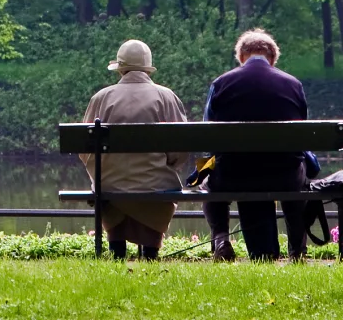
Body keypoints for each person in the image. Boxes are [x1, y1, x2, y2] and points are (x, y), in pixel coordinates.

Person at [202, 29, 308, 261]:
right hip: (284, 175)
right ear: (272, 58)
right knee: (300, 177)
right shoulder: (293, 85)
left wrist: (202, 169)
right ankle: (297, 250)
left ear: (241, 56)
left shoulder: (221, 83)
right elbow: (303, 136)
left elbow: (207, 136)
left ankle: (221, 239)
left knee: (208, 179)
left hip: (234, 174)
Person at [81, 39, 188, 261]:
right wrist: (167, 165)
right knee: (157, 185)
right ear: (148, 68)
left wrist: (102, 171)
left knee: (110, 186)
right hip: (155, 187)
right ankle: (150, 253)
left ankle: (117, 250)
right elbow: (181, 149)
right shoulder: (166, 97)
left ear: (120, 68)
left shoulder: (101, 98)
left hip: (109, 186)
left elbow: (84, 148)